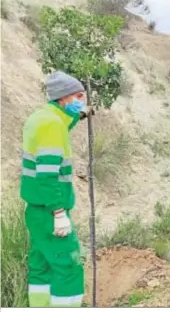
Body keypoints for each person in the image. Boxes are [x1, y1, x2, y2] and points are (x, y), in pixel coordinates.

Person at [20, 70, 93, 307]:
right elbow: (47, 175)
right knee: (68, 266)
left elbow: (61, 123)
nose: (83, 99)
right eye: (79, 96)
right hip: (50, 211)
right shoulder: (53, 125)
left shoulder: (41, 117)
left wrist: (80, 114)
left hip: (36, 212)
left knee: (41, 265)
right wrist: (59, 213)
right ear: (63, 98)